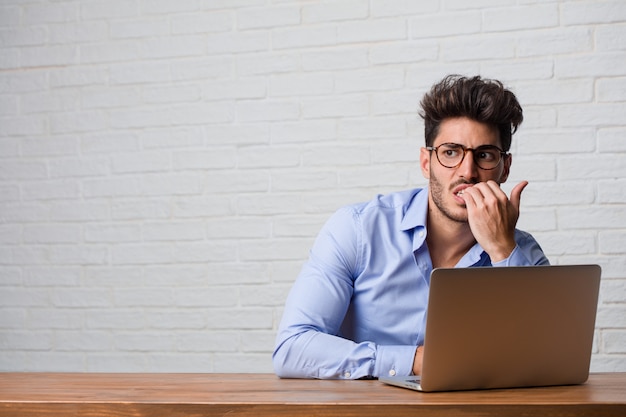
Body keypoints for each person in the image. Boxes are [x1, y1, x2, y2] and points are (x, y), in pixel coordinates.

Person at [272, 74, 549, 380]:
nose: (467, 172)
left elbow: (545, 361)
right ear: (426, 162)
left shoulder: (521, 253)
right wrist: (416, 361)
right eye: (451, 152)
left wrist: (501, 250)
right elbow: (292, 349)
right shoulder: (357, 229)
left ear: (504, 168)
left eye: (484, 155)